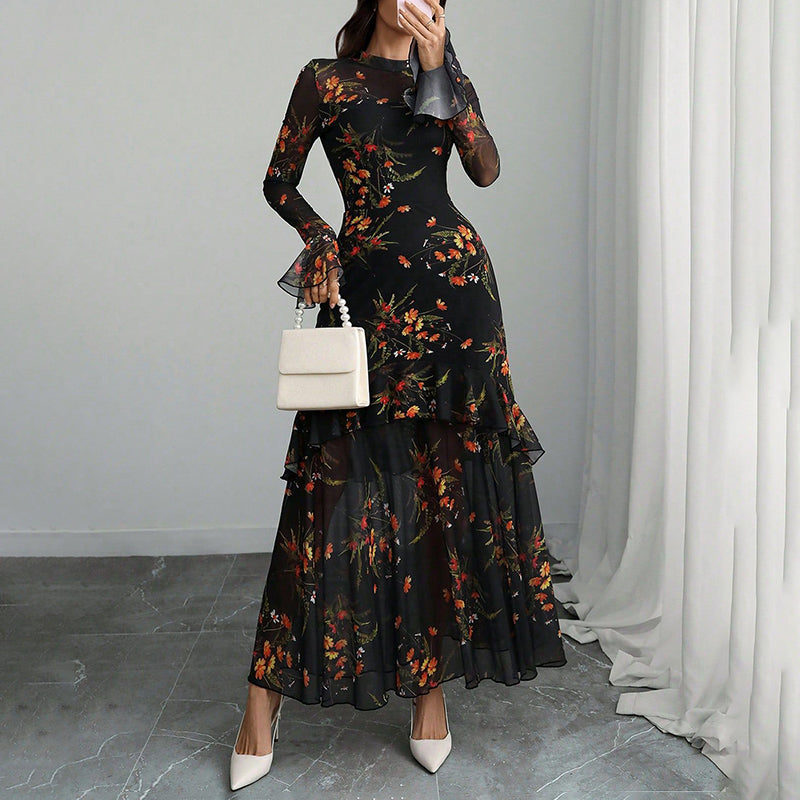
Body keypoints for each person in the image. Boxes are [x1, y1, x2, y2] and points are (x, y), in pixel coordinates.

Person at [230, 0, 567, 789]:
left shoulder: (442, 77)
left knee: (441, 494)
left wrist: (442, 65)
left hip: (458, 299)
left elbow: (484, 168)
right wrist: (320, 235)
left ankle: (428, 693)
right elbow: (278, 181)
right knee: (327, 493)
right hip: (370, 298)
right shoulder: (326, 79)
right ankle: (259, 702)